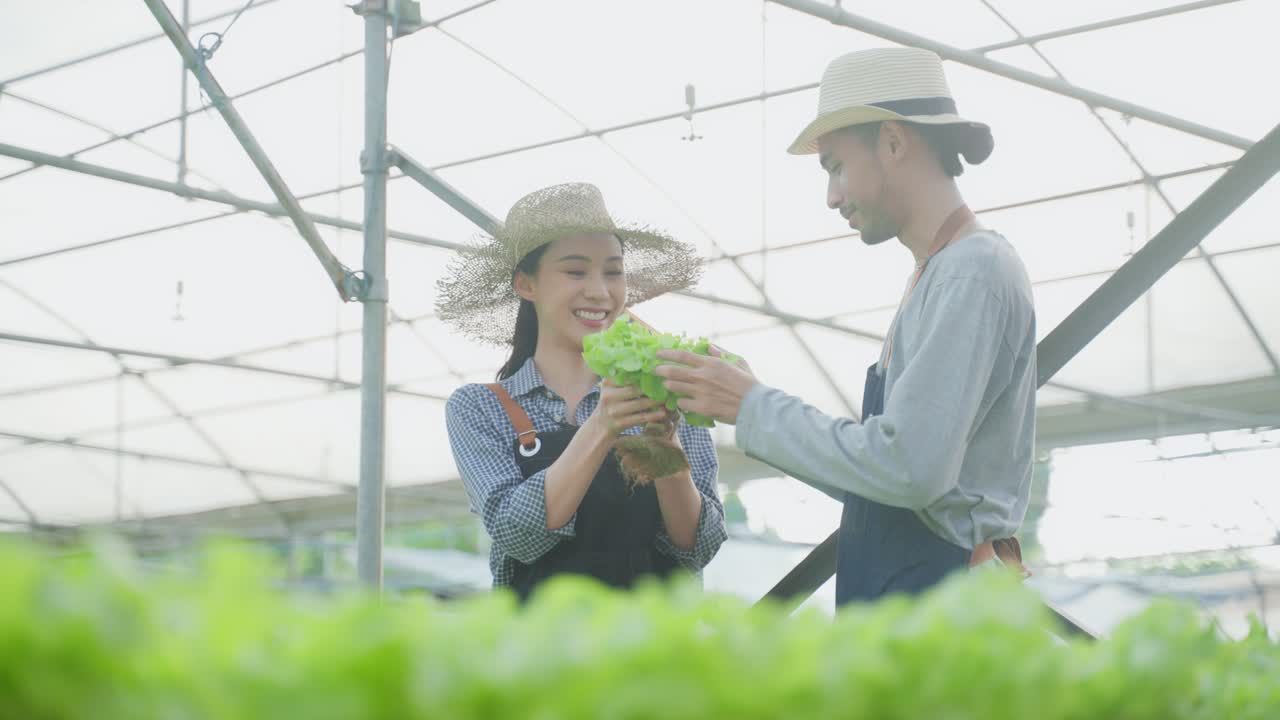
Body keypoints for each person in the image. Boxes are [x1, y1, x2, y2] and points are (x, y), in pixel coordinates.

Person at [655, 47, 1036, 605]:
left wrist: (754, 405)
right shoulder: (937, 274)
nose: (832, 196)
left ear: (895, 142)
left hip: (937, 600)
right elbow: (883, 479)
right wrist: (748, 401)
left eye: (835, 165)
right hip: (911, 589)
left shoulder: (970, 272)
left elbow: (909, 471)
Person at [440, 182, 727, 600]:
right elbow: (517, 536)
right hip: (541, 658)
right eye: (575, 271)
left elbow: (698, 548)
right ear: (526, 284)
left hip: (659, 655)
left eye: (613, 272)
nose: (600, 291)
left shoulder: (668, 393)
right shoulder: (481, 408)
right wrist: (602, 426)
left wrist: (666, 448)